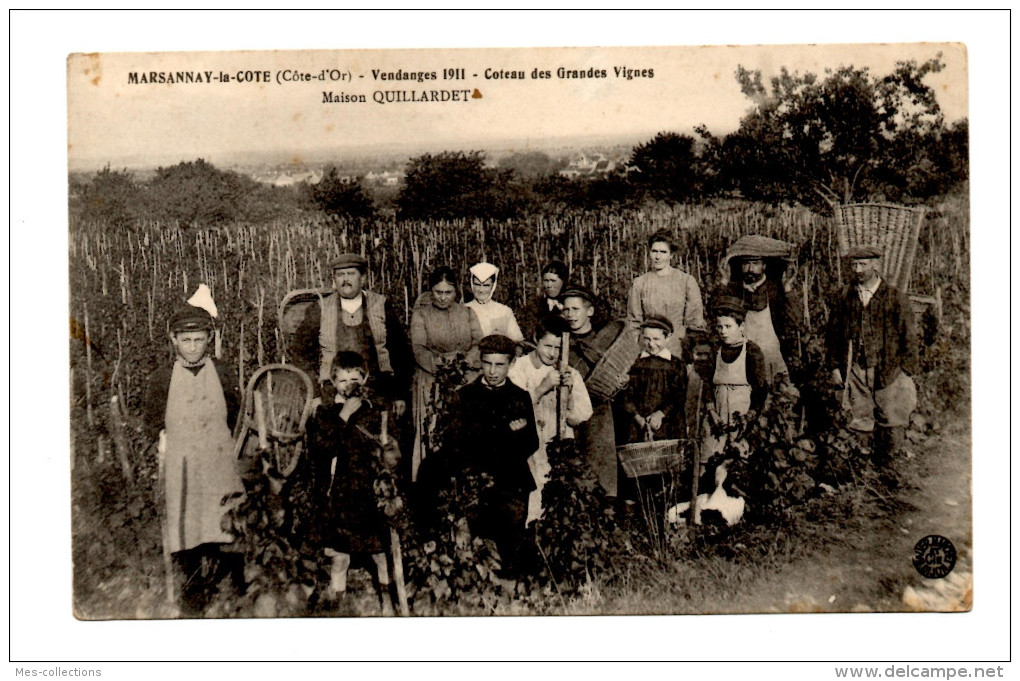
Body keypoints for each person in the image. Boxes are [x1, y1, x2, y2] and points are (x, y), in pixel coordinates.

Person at [141, 303, 243, 616]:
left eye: (198, 339)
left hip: (217, 456)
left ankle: (237, 577)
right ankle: (193, 585)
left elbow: (236, 410)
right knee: (187, 519)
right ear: (173, 340)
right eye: (186, 340)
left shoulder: (223, 373)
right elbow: (152, 420)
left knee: (224, 514)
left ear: (208, 339)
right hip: (182, 460)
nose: (193, 346)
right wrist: (158, 445)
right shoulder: (161, 379)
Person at [306, 351, 399, 615]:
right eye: (343, 380)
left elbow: (389, 449)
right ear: (333, 382)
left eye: (355, 379)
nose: (349, 386)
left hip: (370, 494)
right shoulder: (326, 413)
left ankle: (387, 600)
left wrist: (388, 452)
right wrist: (343, 416)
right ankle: (339, 605)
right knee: (340, 558)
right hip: (340, 495)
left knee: (380, 554)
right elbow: (321, 449)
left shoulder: (374, 412)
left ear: (365, 379)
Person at [825, 244, 918, 484]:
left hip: (889, 369)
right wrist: (835, 366)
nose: (858, 270)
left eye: (863, 264)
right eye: (854, 265)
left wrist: (906, 371)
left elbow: (909, 335)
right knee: (860, 418)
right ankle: (862, 472)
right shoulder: (845, 298)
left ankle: (890, 470)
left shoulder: (894, 297)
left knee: (892, 418)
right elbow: (834, 334)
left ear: (876, 265)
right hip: (857, 367)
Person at [450, 334, 540, 575]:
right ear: (480, 361)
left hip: (512, 483)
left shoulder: (520, 397)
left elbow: (532, 443)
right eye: (487, 363)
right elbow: (457, 445)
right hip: (475, 483)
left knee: (512, 543)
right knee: (479, 545)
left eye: (499, 365)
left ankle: (512, 592)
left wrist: (516, 436)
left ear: (510, 364)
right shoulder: (464, 397)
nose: (492, 371)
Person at [293, 253, 412, 416]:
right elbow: (300, 353)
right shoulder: (320, 309)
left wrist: (399, 394)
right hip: (332, 392)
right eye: (340, 275)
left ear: (362, 278)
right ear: (334, 279)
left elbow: (400, 352)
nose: (345, 280)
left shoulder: (381, 305)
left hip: (378, 391)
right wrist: (314, 394)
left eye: (351, 274)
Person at [508, 315, 593, 523]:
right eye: (547, 346)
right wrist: (542, 388)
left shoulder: (568, 372)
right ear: (536, 339)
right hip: (527, 444)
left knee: (554, 492)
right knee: (530, 491)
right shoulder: (519, 368)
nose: (552, 353)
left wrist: (569, 392)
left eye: (557, 348)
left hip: (555, 443)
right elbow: (512, 408)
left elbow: (581, 416)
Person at [409, 265, 484, 482]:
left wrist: (464, 363)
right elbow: (419, 348)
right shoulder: (421, 315)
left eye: (448, 292)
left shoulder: (467, 313)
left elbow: (479, 342)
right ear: (430, 291)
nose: (443, 298)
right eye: (438, 292)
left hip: (465, 376)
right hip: (433, 379)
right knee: (433, 430)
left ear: (456, 291)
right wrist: (442, 367)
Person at [561, 286, 629, 498]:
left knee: (601, 472)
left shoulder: (603, 343)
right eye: (566, 310)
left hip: (599, 414)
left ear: (589, 311)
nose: (570, 315)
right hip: (568, 416)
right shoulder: (561, 343)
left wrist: (622, 381)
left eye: (575, 309)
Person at [720, 235, 801, 383]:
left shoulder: (774, 290)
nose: (750, 269)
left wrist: (788, 288)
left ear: (764, 266)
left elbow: (795, 321)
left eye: (755, 263)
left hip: (771, 360)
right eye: (746, 264)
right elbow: (716, 313)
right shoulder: (735, 290)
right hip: (743, 359)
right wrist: (724, 281)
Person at [702, 297, 768, 462]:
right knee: (708, 456)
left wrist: (749, 418)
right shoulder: (715, 350)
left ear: (741, 326)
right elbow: (707, 383)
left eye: (728, 326)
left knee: (739, 458)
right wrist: (712, 413)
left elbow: (760, 389)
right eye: (720, 326)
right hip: (716, 415)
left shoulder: (752, 352)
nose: (723, 331)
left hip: (741, 416)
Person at [627, 230, 706, 357]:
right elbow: (634, 322)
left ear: (671, 255)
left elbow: (695, 322)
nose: (658, 257)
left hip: (677, 349)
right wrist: (640, 348)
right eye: (654, 251)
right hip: (649, 349)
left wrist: (689, 350)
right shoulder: (639, 283)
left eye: (663, 252)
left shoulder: (686, 281)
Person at [620, 316, 688, 444]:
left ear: (667, 338)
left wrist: (661, 414)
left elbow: (679, 395)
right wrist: (638, 418)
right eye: (647, 339)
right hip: (638, 424)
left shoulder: (676, 365)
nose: (651, 344)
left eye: (656, 339)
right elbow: (626, 395)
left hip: (667, 423)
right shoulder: (634, 363)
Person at [464, 261, 525, 343]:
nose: (481, 290)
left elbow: (517, 340)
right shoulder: (463, 310)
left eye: (486, 285)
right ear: (472, 284)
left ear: (493, 286)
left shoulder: (504, 311)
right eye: (477, 285)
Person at [527, 260, 569, 338]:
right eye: (546, 281)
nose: (549, 285)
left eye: (553, 281)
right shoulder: (536, 306)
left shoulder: (571, 304)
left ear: (563, 282)